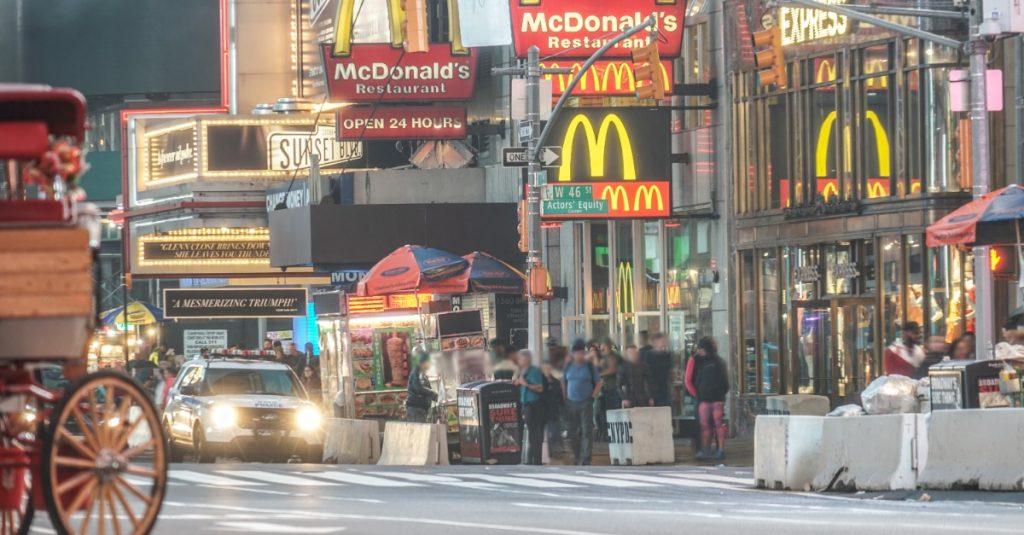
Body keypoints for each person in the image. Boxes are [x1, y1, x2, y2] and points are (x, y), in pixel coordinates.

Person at [685, 337, 730, 460]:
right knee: (717, 424)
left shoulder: (696, 361)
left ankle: (706, 450)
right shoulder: (719, 361)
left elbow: (688, 381)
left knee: (705, 425)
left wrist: (697, 394)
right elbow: (726, 383)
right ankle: (720, 450)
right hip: (717, 398)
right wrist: (721, 394)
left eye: (700, 348)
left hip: (704, 398)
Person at [562, 339, 601, 465]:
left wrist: (592, 396)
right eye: (576, 352)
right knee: (572, 431)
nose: (578, 355)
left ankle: (586, 458)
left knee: (586, 431)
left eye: (580, 352)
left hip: (586, 402)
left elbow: (599, 382)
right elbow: (563, 381)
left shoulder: (589, 366)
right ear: (573, 354)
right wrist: (565, 396)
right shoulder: (568, 366)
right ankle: (577, 454)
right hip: (571, 402)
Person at [514, 350, 545, 465]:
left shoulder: (535, 371)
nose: (519, 361)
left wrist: (525, 383)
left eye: (521, 358)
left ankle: (536, 459)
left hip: (534, 405)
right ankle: (529, 458)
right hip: (525, 404)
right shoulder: (521, 371)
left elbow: (540, 388)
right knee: (530, 432)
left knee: (535, 433)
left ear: (527, 359)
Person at [596, 338, 622, 440]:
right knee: (602, 412)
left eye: (602, 345)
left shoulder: (612, 356)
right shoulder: (604, 357)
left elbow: (612, 369)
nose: (600, 347)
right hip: (604, 388)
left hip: (612, 388)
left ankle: (610, 434)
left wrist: (600, 374)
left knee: (611, 412)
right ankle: (605, 433)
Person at [541, 361, 565, 454]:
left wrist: (562, 407)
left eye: (548, 368)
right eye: (545, 368)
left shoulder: (556, 382)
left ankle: (554, 448)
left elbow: (560, 396)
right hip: (543, 410)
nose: (547, 370)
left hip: (553, 410)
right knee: (545, 432)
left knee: (554, 431)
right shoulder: (540, 381)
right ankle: (548, 450)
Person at [406, 353, 436, 423]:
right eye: (428, 362)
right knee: (417, 431)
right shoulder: (417, 372)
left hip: (419, 408)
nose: (429, 364)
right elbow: (418, 388)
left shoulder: (419, 372)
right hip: (416, 409)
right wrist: (433, 394)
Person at [646, 333, 674, 407]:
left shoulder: (667, 355)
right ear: (656, 342)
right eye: (662, 341)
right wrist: (649, 396)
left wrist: (671, 388)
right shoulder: (648, 356)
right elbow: (646, 376)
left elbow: (669, 372)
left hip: (664, 389)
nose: (664, 343)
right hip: (653, 390)